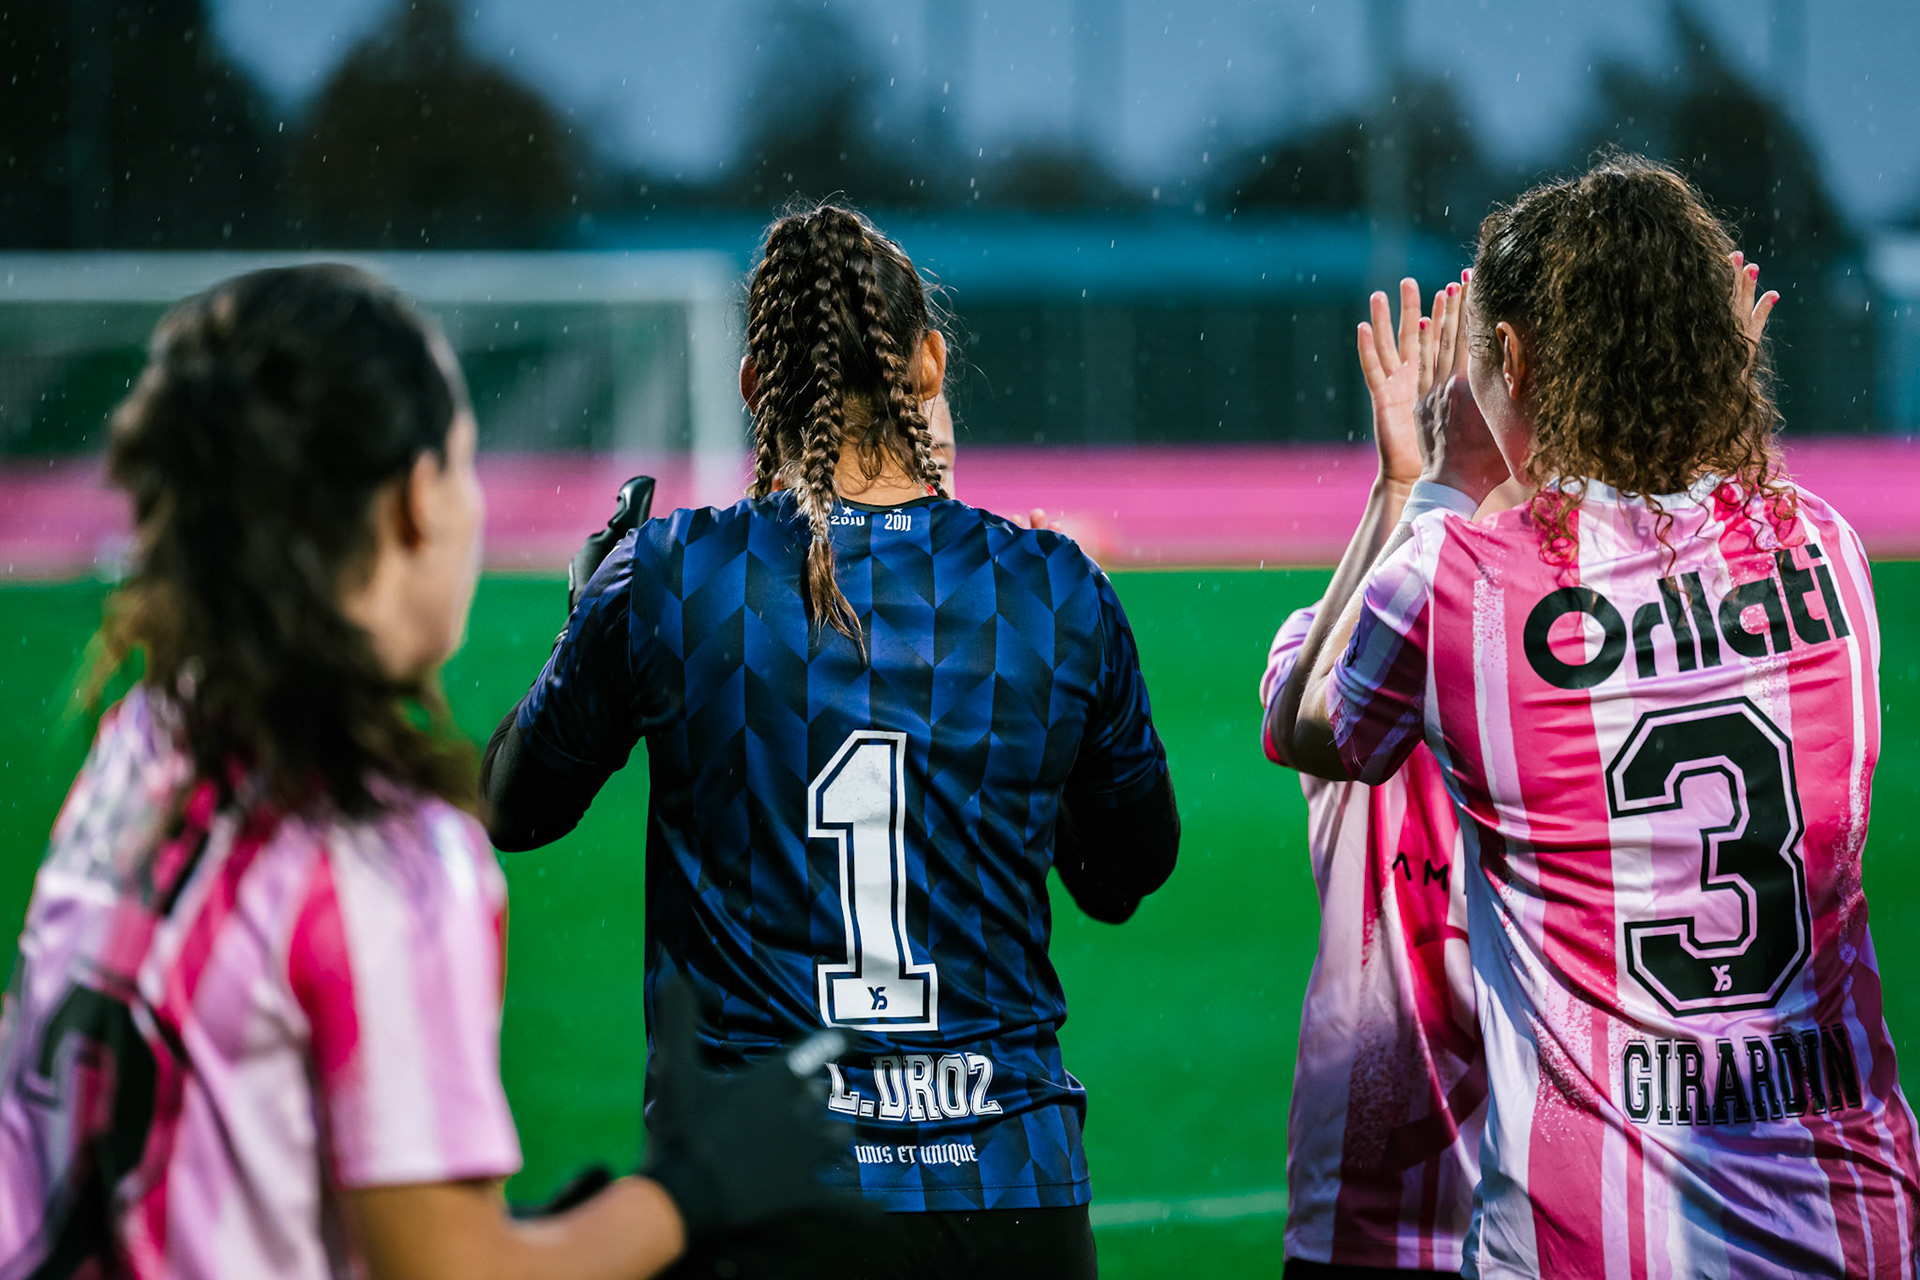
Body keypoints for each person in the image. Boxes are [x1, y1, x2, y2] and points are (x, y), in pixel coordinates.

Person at [0, 264, 844, 1280]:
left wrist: (561, 1230)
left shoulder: (145, 741)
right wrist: (693, 1188)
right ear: (413, 503)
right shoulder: (382, 853)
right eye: (465, 463)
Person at [481, 201, 1180, 1280]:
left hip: (758, 1191)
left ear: (756, 380)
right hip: (1003, 1189)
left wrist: (584, 620)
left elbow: (513, 807)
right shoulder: (1053, 586)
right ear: (932, 363)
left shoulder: (672, 577)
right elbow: (1129, 871)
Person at [1273, 154, 1920, 1277]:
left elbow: (1310, 725)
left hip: (1588, 1239)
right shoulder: (1827, 546)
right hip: (1847, 1218)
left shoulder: (1460, 576)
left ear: (1513, 358)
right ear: (1724, 346)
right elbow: (1704, 525)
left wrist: (1425, 485)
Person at [1259, 280, 1500, 1280]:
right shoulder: (1326, 650)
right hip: (1371, 1214)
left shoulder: (1550, 658)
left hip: (1536, 1209)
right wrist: (1404, 486)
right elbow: (1304, 718)